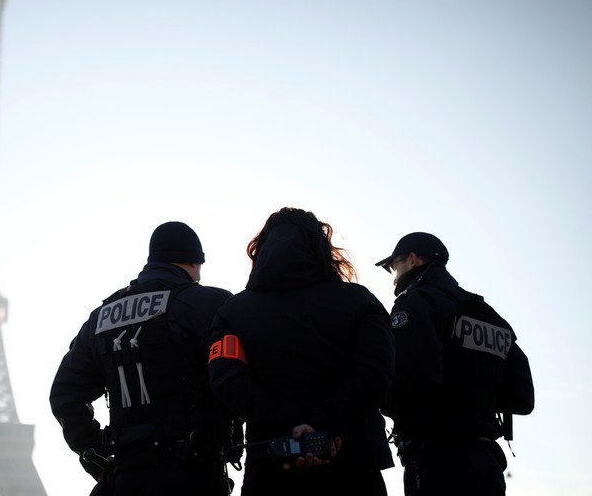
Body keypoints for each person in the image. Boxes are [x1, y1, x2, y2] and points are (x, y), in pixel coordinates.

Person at [208, 207, 395, 495]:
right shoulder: (360, 302)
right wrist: (323, 426)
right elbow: (375, 376)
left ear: (261, 249)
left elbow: (227, 380)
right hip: (352, 463)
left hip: (272, 464)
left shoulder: (233, 313)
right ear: (322, 247)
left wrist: (287, 427)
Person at [49, 221, 238, 496]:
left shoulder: (101, 317)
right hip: (194, 473)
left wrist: (95, 451)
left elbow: (65, 395)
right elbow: (240, 375)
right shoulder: (207, 303)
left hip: (126, 473)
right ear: (194, 262)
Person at [375, 232, 535, 496]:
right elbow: (522, 398)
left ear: (413, 259)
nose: (394, 276)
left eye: (394, 266)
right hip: (487, 462)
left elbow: (409, 376)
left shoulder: (415, 303)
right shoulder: (489, 314)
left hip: (435, 460)